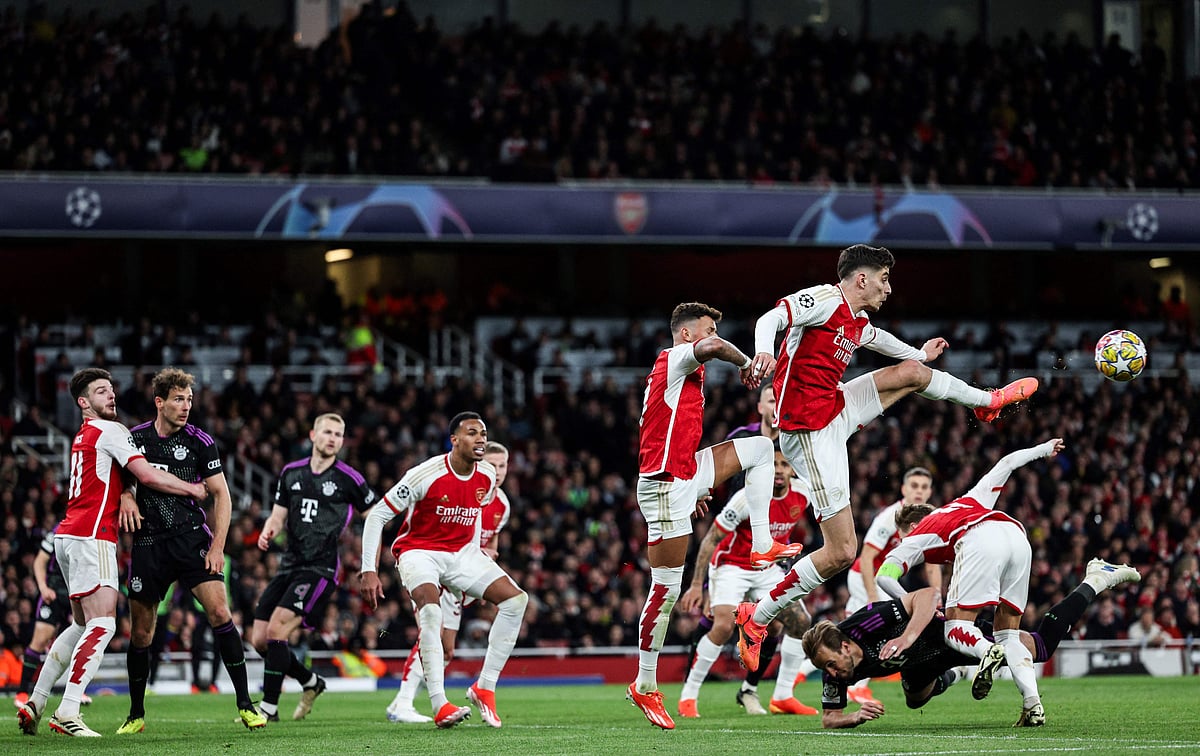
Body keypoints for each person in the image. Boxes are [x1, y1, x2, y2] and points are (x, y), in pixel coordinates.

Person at [735, 244, 1039, 673]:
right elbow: (771, 318)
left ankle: (988, 402)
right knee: (842, 551)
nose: (888, 288)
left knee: (913, 373)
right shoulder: (823, 300)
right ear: (861, 279)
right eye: (884, 279)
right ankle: (757, 616)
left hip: (834, 407)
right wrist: (764, 349)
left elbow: (879, 340)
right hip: (807, 433)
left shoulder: (856, 319)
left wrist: (920, 355)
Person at [626, 302, 802, 731]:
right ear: (688, 334)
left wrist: (698, 487)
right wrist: (749, 363)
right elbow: (716, 347)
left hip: (686, 473)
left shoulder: (688, 375)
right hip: (664, 485)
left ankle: (762, 544)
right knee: (666, 590)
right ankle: (645, 684)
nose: (712, 335)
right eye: (707, 329)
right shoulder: (673, 358)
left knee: (761, 450)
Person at [17, 367, 208, 737]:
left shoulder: (84, 435)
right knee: (103, 624)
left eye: (111, 389)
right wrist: (192, 489)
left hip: (67, 536)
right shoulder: (111, 430)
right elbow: (147, 474)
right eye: (102, 391)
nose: (112, 395)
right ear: (84, 402)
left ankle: (36, 702)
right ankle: (68, 709)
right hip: (93, 536)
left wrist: (124, 492)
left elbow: (119, 476)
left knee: (80, 625)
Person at [803, 558, 1141, 729]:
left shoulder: (866, 623)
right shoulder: (836, 669)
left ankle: (1096, 578)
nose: (830, 673)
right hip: (921, 663)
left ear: (844, 645)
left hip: (951, 635)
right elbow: (829, 718)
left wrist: (906, 637)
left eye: (830, 664)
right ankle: (954, 676)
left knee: (1040, 647)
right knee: (914, 700)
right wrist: (855, 716)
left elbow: (927, 595)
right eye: (825, 668)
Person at [874, 438, 1065, 726]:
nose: (903, 543)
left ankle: (986, 651)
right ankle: (1032, 704)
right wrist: (1043, 450)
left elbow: (883, 576)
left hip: (978, 540)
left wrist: (914, 605)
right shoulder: (968, 500)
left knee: (955, 628)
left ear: (911, 526)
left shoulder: (917, 534)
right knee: (1008, 635)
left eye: (901, 538)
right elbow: (1006, 464)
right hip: (1016, 535)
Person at [117, 368, 266, 734]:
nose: (186, 406)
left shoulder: (200, 441)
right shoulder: (134, 438)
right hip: (148, 543)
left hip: (191, 539)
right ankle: (135, 714)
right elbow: (124, 479)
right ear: (160, 402)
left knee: (220, 613)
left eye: (189, 399)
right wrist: (126, 496)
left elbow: (222, 495)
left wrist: (218, 547)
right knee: (141, 634)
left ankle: (246, 705)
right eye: (178, 399)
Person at [360, 412, 528, 729]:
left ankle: (484, 687)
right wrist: (369, 569)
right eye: (472, 432)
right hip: (419, 552)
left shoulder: (486, 475)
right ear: (454, 440)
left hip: (462, 554)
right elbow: (377, 516)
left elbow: (474, 516)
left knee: (517, 600)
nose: (480, 438)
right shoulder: (425, 474)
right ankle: (439, 703)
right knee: (431, 614)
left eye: (483, 433)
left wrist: (477, 566)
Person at [252, 412, 377, 722]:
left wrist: (369, 563)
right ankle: (310, 682)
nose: (333, 438)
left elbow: (375, 517)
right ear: (313, 435)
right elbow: (278, 514)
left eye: (338, 434)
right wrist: (269, 530)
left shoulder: (349, 478)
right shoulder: (291, 472)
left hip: (320, 569)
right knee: (260, 640)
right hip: (288, 565)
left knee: (277, 630)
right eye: (328, 432)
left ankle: (268, 708)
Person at [677, 444, 817, 719]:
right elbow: (711, 540)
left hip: (767, 568)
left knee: (799, 622)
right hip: (732, 566)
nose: (778, 470)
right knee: (723, 626)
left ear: (792, 470)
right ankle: (689, 696)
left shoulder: (803, 494)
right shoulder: (746, 498)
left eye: (784, 464)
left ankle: (782, 695)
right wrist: (696, 585)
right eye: (773, 464)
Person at [386, 441, 513, 724]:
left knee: (447, 649)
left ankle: (402, 702)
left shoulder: (502, 505)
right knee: (431, 629)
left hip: (463, 575)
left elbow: (492, 539)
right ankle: (404, 702)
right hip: (437, 568)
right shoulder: (466, 489)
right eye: (492, 465)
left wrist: (487, 563)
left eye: (502, 465)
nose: (497, 471)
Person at [841, 467, 940, 703]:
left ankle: (799, 675)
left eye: (924, 487)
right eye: (914, 486)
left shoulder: (929, 518)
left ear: (930, 492)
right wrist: (873, 598)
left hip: (884, 578)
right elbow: (866, 557)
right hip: (866, 577)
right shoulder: (890, 517)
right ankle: (856, 688)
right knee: (883, 627)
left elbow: (932, 564)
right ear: (904, 489)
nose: (919, 491)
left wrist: (937, 598)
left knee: (849, 633)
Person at [13, 525, 92, 710]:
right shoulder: (58, 531)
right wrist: (43, 588)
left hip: (75, 593)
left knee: (77, 642)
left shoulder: (89, 530)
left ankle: (75, 691)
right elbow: (40, 561)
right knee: (40, 639)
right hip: (54, 593)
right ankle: (22, 692)